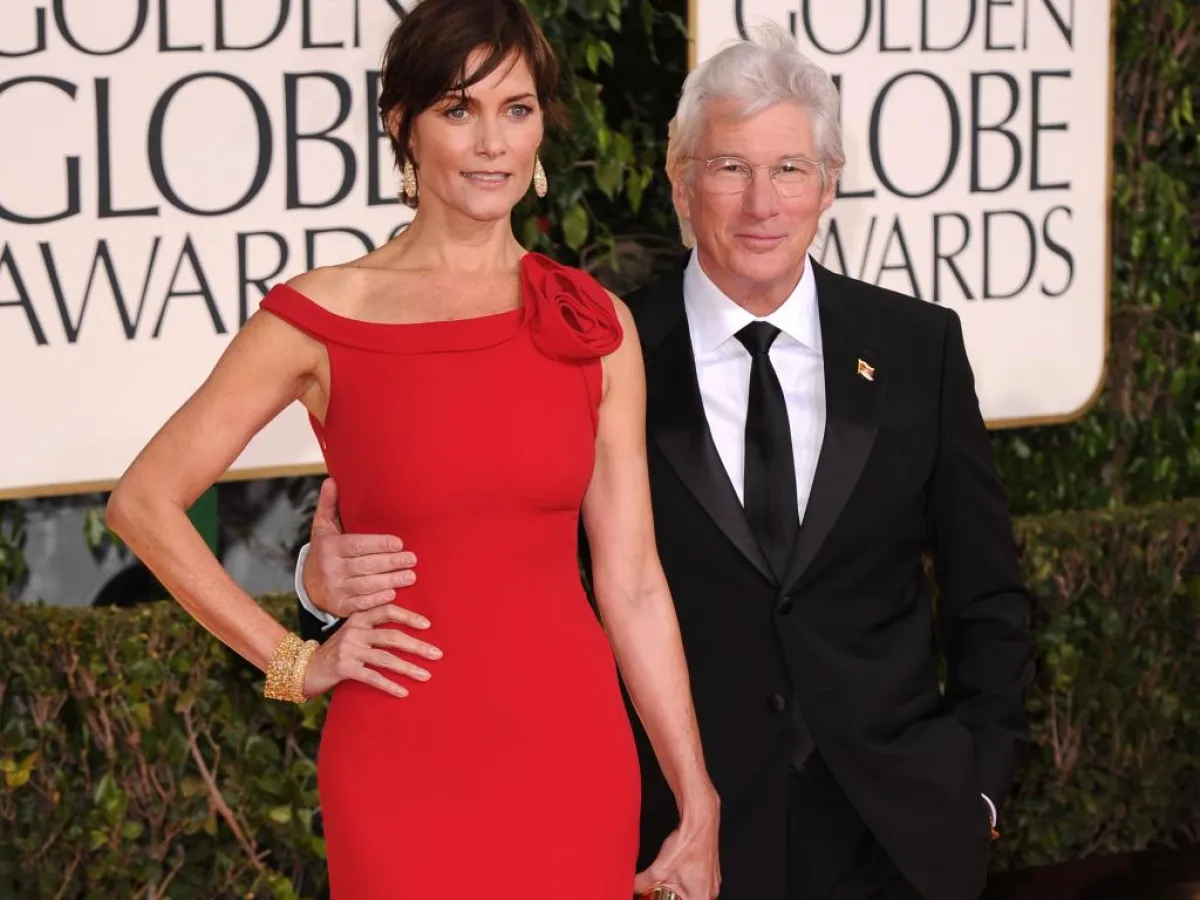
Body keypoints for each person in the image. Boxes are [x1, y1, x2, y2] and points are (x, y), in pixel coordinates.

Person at [295, 23, 1035, 900]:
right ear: (680, 184)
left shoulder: (918, 347)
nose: (762, 203)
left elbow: (988, 591)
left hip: (897, 840)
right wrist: (317, 587)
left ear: (829, 185)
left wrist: (981, 785)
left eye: (790, 169)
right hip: (667, 842)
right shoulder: (588, 345)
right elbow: (476, 541)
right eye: (729, 168)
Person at [104, 1, 723, 897]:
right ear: (403, 126)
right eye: (458, 109)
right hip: (399, 754)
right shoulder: (321, 316)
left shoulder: (594, 324)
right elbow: (144, 502)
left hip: (571, 752)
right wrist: (293, 661)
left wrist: (695, 794)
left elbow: (631, 584)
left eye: (516, 109)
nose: (492, 143)